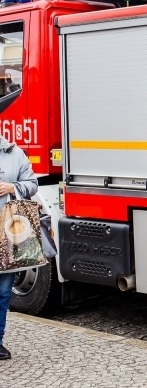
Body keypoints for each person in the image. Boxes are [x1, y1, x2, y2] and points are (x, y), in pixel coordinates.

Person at [0, 134, 38, 360]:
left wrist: (11, 187)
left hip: (7, 232)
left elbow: (32, 184)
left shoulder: (15, 154)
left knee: (3, 291)